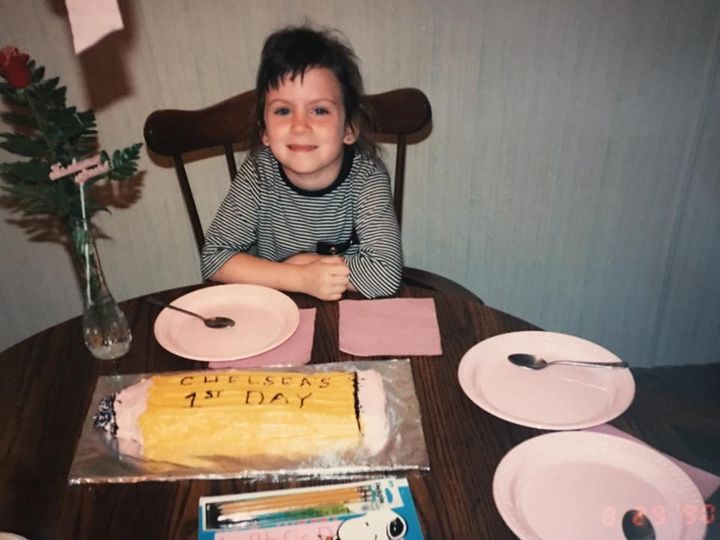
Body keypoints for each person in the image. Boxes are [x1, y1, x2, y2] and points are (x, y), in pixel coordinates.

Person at [200, 25, 403, 301]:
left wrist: (306, 267)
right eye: (283, 110)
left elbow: (385, 273)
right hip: (274, 310)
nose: (300, 126)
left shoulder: (367, 176)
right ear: (264, 131)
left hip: (347, 314)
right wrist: (298, 277)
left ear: (349, 128)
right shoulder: (259, 172)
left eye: (319, 110)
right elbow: (214, 258)